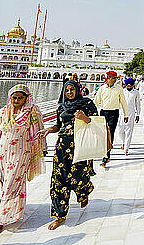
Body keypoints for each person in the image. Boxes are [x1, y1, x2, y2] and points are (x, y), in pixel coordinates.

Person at [0, 84, 46, 238]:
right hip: (3, 155)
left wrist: (43, 148)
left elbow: (39, 130)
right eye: (14, 97)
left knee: (11, 185)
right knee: (8, 185)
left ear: (26, 98)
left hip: (21, 154)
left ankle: (0, 221)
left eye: (20, 97)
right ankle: (16, 213)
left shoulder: (32, 111)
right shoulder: (4, 111)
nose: (17, 100)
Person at [39, 80, 97, 230]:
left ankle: (84, 192)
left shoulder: (87, 104)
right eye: (67, 90)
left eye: (72, 89)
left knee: (78, 176)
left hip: (80, 147)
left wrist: (84, 118)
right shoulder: (62, 107)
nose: (69, 92)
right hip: (62, 148)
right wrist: (48, 130)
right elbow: (59, 126)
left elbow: (97, 122)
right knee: (58, 181)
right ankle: (60, 215)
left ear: (78, 90)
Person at [94, 71, 128, 167]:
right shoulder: (102, 89)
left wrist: (126, 115)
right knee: (103, 134)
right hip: (103, 112)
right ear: (108, 78)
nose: (113, 80)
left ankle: (106, 156)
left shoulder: (119, 89)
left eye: (114, 78)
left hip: (114, 113)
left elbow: (123, 102)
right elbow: (96, 101)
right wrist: (91, 113)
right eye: (111, 78)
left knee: (110, 133)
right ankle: (104, 152)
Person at [117, 78, 140, 156]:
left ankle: (126, 148)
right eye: (128, 84)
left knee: (129, 132)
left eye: (130, 84)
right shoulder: (122, 91)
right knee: (120, 131)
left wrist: (138, 114)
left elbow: (137, 104)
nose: (129, 86)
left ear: (133, 85)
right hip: (121, 114)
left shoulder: (136, 92)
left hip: (131, 114)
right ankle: (123, 142)